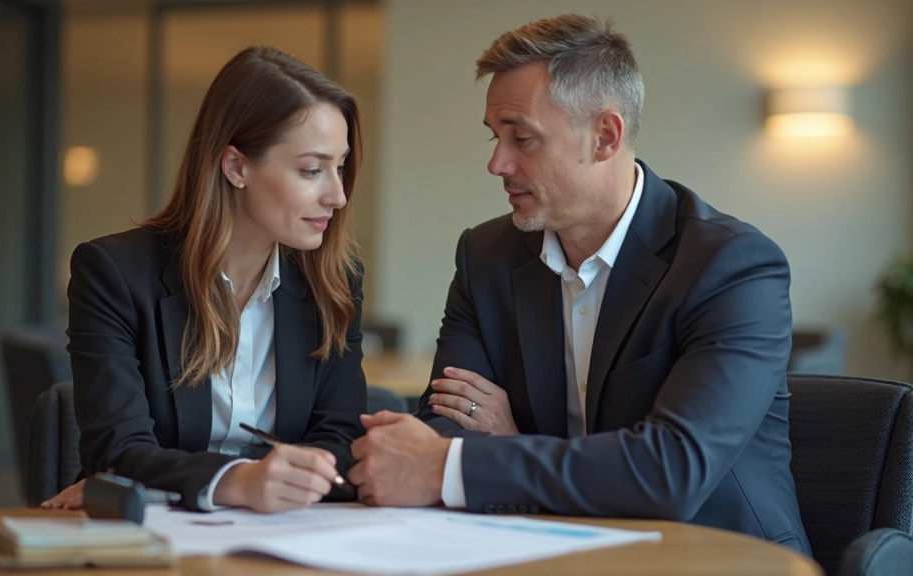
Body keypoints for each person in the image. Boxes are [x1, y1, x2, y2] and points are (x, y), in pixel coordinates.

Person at [348, 14, 811, 554]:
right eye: (496, 137)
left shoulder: (731, 266)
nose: (497, 163)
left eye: (522, 138)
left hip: (717, 557)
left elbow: (670, 472)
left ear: (605, 137)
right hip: (538, 550)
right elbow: (447, 426)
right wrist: (477, 457)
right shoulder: (486, 257)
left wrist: (509, 447)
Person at [43, 46, 366, 513]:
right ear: (236, 166)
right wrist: (239, 482)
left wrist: (271, 482)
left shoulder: (335, 280)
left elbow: (343, 441)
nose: (337, 195)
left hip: (292, 533)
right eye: (312, 170)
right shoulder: (113, 273)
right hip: (151, 540)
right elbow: (118, 454)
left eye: (341, 166)